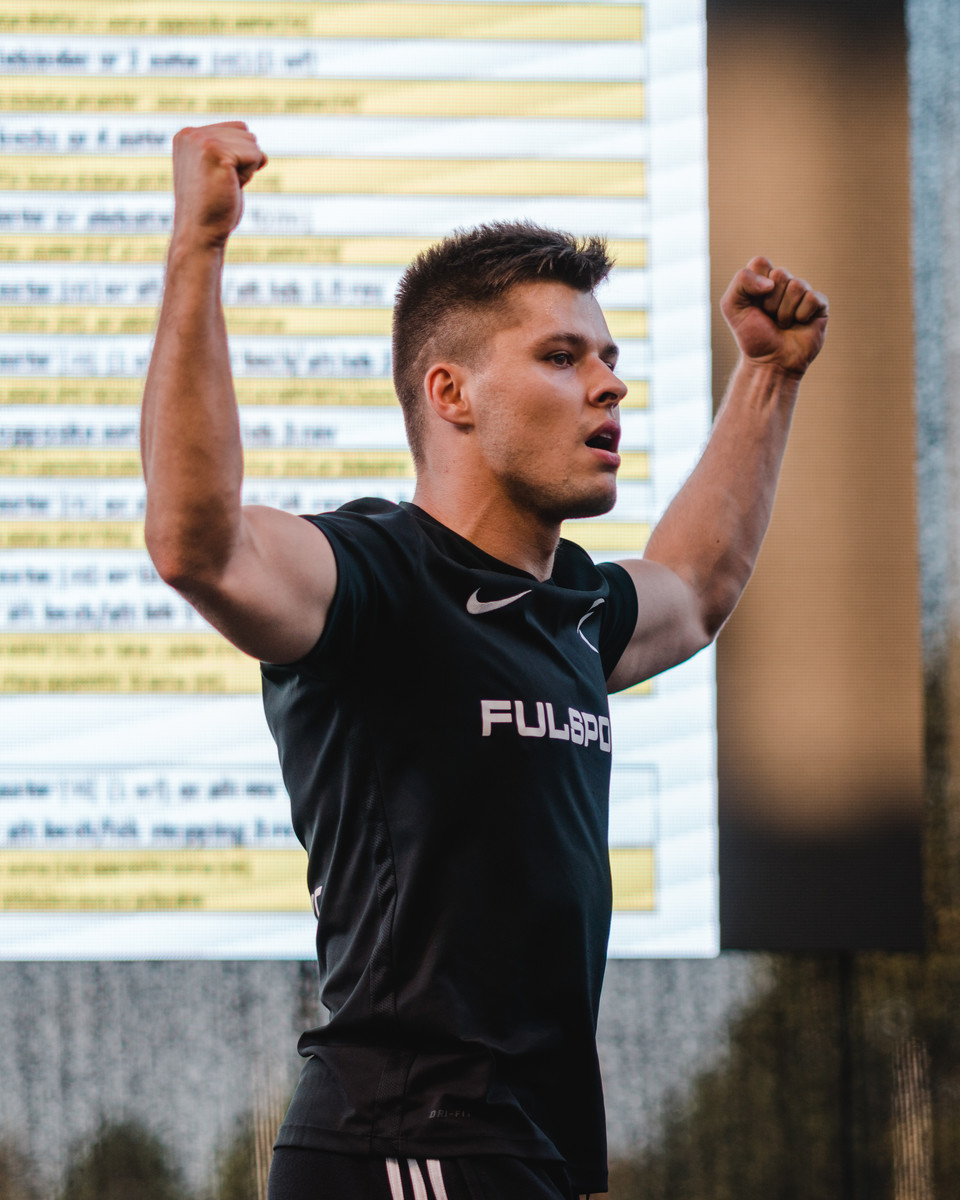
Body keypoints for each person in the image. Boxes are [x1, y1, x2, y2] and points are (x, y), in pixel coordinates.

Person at [140, 122, 828, 1200]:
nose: (608, 385)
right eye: (562, 357)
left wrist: (769, 375)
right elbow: (199, 545)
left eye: (609, 359)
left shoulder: (571, 613)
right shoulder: (377, 578)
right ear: (451, 394)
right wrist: (200, 247)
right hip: (402, 1137)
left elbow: (695, 588)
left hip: (526, 1146)